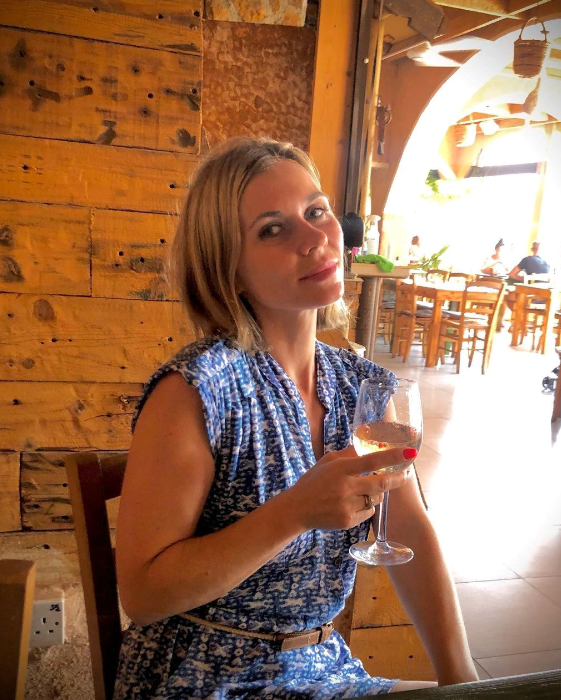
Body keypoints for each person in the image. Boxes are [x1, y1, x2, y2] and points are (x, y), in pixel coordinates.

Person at [113, 137, 478, 699]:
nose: (314, 239)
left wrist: (463, 681)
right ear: (228, 269)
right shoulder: (196, 391)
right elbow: (143, 596)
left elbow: (406, 528)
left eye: (316, 211)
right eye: (272, 229)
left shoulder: (361, 386)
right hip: (204, 676)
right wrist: (294, 512)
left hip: (323, 666)